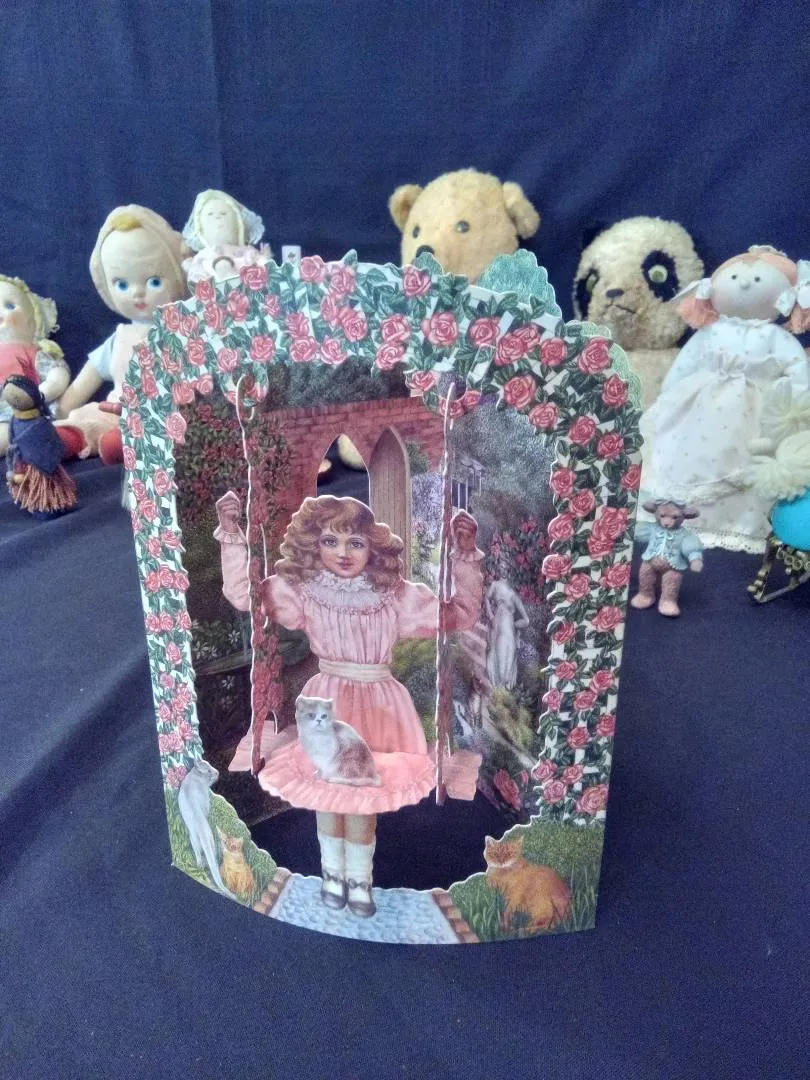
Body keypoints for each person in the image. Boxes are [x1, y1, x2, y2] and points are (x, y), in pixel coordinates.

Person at [214, 492, 484, 918]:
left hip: (381, 707)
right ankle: (331, 874)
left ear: (372, 548)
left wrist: (464, 557)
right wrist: (232, 537)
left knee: (362, 794)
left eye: (355, 543)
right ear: (313, 545)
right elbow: (245, 595)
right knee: (328, 793)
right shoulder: (306, 592)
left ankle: (358, 880)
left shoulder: (393, 596)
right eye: (330, 541)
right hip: (330, 701)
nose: (343, 553)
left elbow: (460, 614)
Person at [484, 575, 530, 690]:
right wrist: (490, 614)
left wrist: (513, 625)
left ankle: (503, 692)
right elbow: (487, 598)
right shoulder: (495, 585)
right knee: (498, 657)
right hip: (499, 628)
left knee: (508, 661)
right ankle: (497, 690)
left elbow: (526, 620)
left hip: (509, 632)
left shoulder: (514, 596)